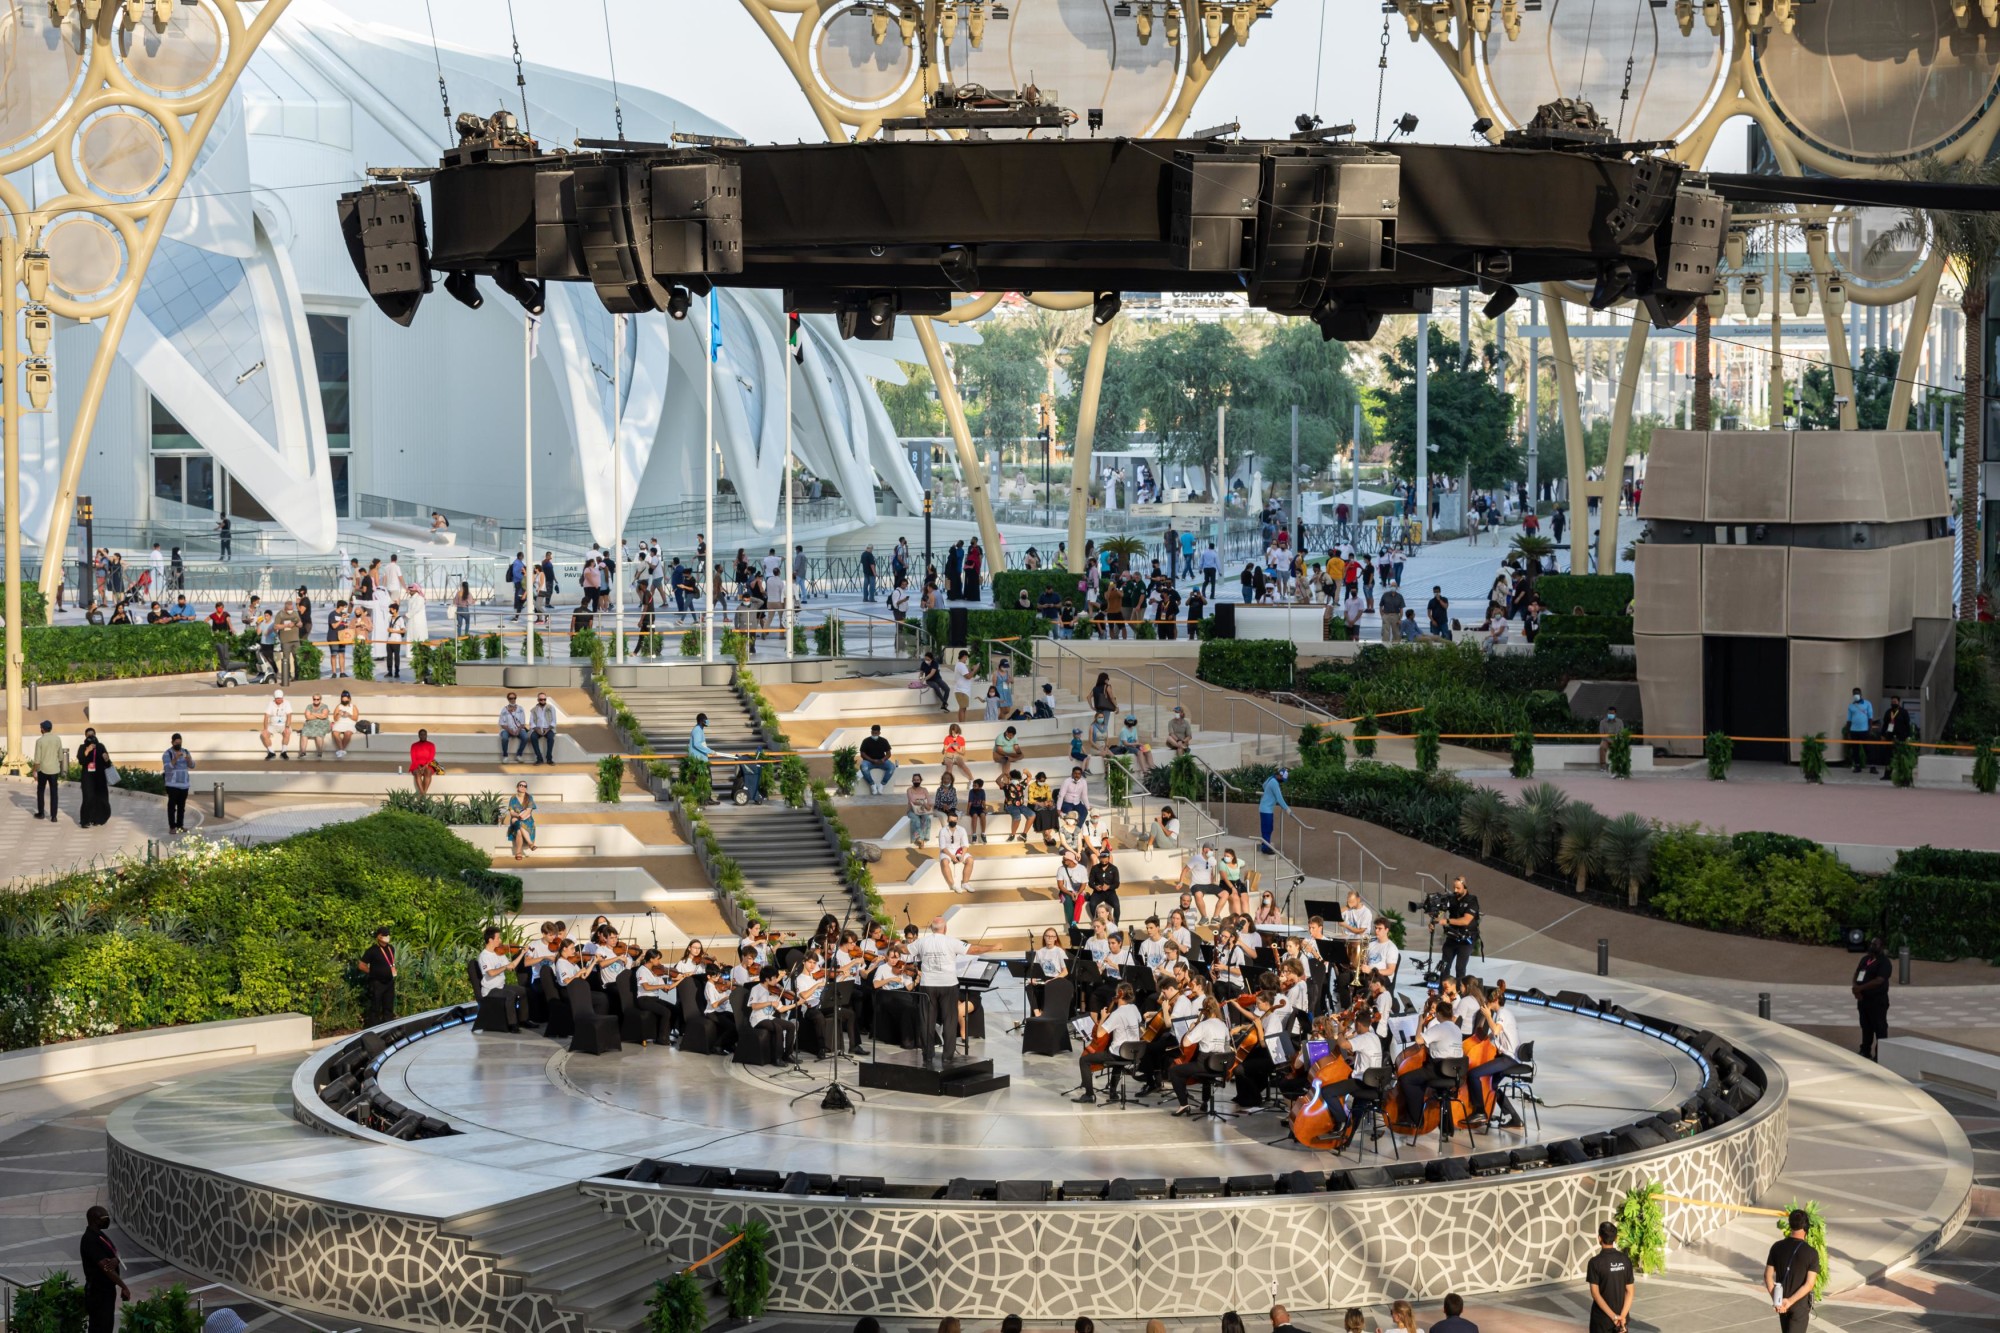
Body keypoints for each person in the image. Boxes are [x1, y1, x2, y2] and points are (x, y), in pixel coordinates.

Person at [911, 916, 969, 1055]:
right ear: (945, 928)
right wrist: (993, 947)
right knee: (949, 1020)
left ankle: (928, 1054)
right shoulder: (951, 941)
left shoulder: (922, 942)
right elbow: (974, 949)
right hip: (948, 985)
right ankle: (948, 1056)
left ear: (931, 928)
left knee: (927, 1021)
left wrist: (897, 946)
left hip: (928, 985)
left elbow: (906, 950)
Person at [1765, 1209, 1820, 1333]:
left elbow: (1768, 1276)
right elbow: (1809, 1284)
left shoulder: (1776, 1247)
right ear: (1806, 1227)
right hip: (1799, 1305)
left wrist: (1778, 1301)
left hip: (1781, 1303)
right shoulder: (1811, 1253)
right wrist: (1789, 1301)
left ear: (1790, 1225)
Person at [81, 1204, 130, 1333]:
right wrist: (124, 1286)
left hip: (107, 1291)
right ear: (94, 1219)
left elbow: (115, 1253)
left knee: (107, 1325)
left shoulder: (100, 1236)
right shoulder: (90, 1239)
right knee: (100, 1326)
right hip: (98, 1293)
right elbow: (107, 1268)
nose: (107, 1220)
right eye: (104, 1217)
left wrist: (116, 1259)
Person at [1587, 1220, 1634, 1333]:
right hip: (1621, 1322)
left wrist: (1614, 1317)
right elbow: (1630, 1292)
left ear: (1599, 1238)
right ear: (1615, 1238)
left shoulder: (1594, 1263)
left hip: (1602, 1321)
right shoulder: (1625, 1260)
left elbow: (1595, 1294)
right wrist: (1622, 1317)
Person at [1853, 935, 1892, 1061]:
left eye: (1875, 944)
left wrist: (1861, 988)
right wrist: (1855, 989)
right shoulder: (1865, 959)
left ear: (1882, 947)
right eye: (1871, 944)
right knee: (1866, 1026)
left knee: (1879, 1027)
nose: (1872, 946)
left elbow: (1879, 980)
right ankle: (1865, 1050)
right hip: (1863, 1000)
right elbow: (1856, 974)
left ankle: (1880, 1055)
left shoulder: (1885, 962)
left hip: (1877, 1001)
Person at [1441, 876, 1479, 984]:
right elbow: (1440, 913)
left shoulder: (1472, 900)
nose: (1455, 890)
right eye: (1454, 888)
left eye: (1458, 888)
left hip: (1466, 939)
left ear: (1465, 887)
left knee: (1460, 968)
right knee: (1444, 966)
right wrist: (1433, 921)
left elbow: (1465, 921)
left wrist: (1447, 921)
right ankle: (1442, 992)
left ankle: (1459, 994)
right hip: (1452, 937)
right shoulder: (1452, 898)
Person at [358, 925, 397, 1024]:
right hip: (377, 983)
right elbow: (361, 965)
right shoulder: (372, 950)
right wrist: (373, 973)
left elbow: (390, 962)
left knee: (388, 1006)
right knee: (375, 1007)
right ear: (379, 936)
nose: (387, 936)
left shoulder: (391, 948)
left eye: (388, 934)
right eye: (384, 935)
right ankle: (373, 1027)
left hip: (389, 982)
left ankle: (388, 1026)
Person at [75, 727, 113, 828]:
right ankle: (85, 821)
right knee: (88, 798)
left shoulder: (101, 746)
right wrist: (87, 751)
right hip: (88, 777)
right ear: (85, 736)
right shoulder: (82, 747)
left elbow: (108, 764)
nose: (91, 737)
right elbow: (81, 761)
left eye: (93, 735)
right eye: (89, 735)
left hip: (99, 777)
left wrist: (106, 759)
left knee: (101, 798)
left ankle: (98, 819)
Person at [31, 719, 61, 822]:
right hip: (54, 770)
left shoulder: (39, 741)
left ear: (43, 729)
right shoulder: (57, 739)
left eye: (41, 728)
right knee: (54, 793)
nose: (40, 729)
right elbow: (60, 756)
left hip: (43, 770)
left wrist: (34, 771)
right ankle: (54, 816)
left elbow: (37, 760)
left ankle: (41, 813)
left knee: (40, 791)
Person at [1258, 766, 1291, 855]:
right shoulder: (1274, 783)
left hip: (1266, 808)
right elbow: (1279, 798)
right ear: (1279, 776)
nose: (1282, 782)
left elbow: (1264, 785)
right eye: (1282, 779)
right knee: (1267, 829)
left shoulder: (1271, 779)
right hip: (1266, 809)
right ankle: (1265, 848)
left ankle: (1265, 844)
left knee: (1268, 828)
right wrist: (1287, 809)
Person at [937, 813, 973, 890]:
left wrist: (962, 856)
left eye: (954, 820)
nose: (952, 822)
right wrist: (952, 856)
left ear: (957, 821)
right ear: (947, 820)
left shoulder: (962, 830)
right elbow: (942, 847)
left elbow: (965, 845)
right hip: (946, 851)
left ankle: (965, 883)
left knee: (970, 859)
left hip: (958, 850)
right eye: (951, 820)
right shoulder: (942, 831)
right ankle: (952, 885)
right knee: (944, 862)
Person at [1879, 695, 1912, 780]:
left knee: (1901, 756)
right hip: (1890, 737)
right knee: (1888, 757)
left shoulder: (1904, 712)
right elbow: (1885, 725)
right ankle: (1887, 775)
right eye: (1892, 702)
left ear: (1898, 702)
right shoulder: (1888, 712)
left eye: (1895, 702)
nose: (1893, 703)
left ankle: (1902, 775)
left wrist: (1908, 736)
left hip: (1901, 737)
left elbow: (1907, 725)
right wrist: (1882, 734)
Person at [1844, 687, 1876, 773]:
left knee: (1868, 749)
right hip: (1854, 730)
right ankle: (1857, 766)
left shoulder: (1867, 704)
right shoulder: (1851, 706)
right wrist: (1848, 732)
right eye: (1854, 693)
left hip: (1864, 730)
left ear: (1861, 694)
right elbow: (1849, 720)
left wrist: (1870, 729)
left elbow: (1870, 717)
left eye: (1857, 693)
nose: (1856, 695)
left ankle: (1872, 766)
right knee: (1855, 750)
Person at [860, 724, 897, 794]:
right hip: (869, 761)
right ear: (871, 732)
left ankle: (882, 785)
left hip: (881, 761)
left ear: (879, 733)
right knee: (863, 766)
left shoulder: (884, 741)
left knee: (891, 767)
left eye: (876, 733)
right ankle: (872, 785)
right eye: (873, 733)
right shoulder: (866, 741)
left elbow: (888, 754)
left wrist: (883, 759)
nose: (874, 735)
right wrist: (872, 760)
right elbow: (862, 754)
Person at [508, 781, 538, 861]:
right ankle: (530, 844)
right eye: (521, 785)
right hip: (516, 818)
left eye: (525, 786)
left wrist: (522, 817)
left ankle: (518, 853)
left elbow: (528, 811)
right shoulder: (513, 798)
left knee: (519, 831)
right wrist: (518, 816)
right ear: (517, 787)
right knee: (517, 822)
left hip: (527, 819)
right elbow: (511, 812)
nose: (523, 787)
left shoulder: (529, 797)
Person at [527, 691, 559, 765]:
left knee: (551, 738)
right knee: (533, 737)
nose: (543, 701)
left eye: (544, 699)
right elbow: (531, 722)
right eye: (541, 699)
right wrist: (537, 730)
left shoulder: (551, 708)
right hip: (537, 729)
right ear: (538, 700)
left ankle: (549, 759)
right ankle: (539, 759)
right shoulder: (534, 709)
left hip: (548, 728)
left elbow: (554, 721)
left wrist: (547, 729)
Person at [298, 694, 332, 759]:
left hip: (322, 724)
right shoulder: (309, 706)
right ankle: (303, 752)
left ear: (320, 699)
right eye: (314, 699)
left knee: (318, 732)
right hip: (310, 724)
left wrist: (313, 714)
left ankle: (320, 752)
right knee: (304, 732)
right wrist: (319, 715)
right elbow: (307, 717)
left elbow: (324, 716)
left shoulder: (325, 706)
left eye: (317, 699)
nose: (316, 700)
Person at [409, 727, 440, 796]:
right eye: (421, 734)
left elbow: (431, 757)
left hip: (428, 764)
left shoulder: (431, 745)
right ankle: (423, 794)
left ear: (426, 735)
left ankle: (423, 794)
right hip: (416, 765)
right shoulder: (414, 745)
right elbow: (413, 758)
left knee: (428, 772)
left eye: (424, 734)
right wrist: (419, 767)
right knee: (417, 773)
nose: (423, 736)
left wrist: (426, 765)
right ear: (419, 736)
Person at [499, 692, 530, 761]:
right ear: (508, 699)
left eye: (514, 698)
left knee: (525, 737)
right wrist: (510, 731)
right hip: (507, 729)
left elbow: (522, 723)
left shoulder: (520, 709)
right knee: (504, 738)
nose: (512, 700)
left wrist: (518, 730)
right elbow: (502, 723)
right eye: (510, 698)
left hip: (519, 729)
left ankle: (519, 755)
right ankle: (505, 756)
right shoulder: (504, 710)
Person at [906, 773, 934, 846]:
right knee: (916, 820)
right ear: (912, 781)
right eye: (914, 780)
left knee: (927, 818)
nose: (916, 781)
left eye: (918, 780)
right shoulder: (909, 790)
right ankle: (920, 839)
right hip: (912, 811)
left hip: (923, 810)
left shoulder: (924, 790)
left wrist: (925, 804)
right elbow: (912, 801)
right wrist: (923, 803)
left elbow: (929, 801)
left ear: (920, 780)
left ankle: (923, 838)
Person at [331, 690, 360, 759]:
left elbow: (356, 718)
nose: (344, 699)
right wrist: (338, 714)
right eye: (343, 698)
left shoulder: (353, 707)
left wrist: (349, 715)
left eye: (346, 698)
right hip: (340, 723)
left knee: (348, 733)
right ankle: (342, 750)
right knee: (335, 732)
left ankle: (341, 750)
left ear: (349, 698)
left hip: (350, 723)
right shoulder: (338, 706)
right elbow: (335, 719)